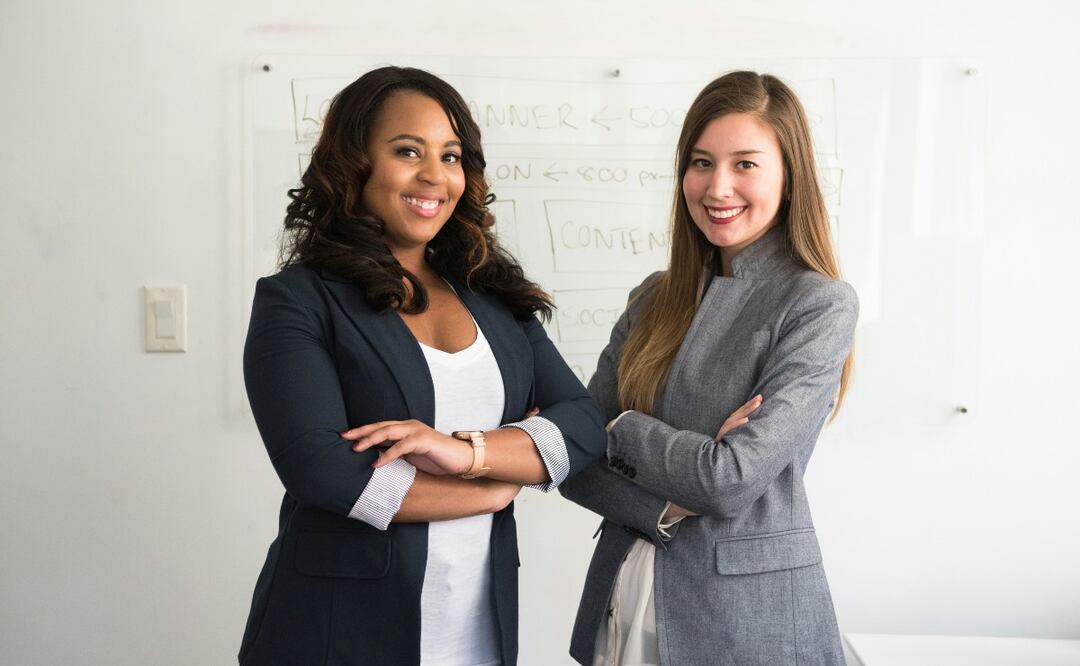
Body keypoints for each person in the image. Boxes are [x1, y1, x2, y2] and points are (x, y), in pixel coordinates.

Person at [237, 66, 606, 665]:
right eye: (408, 151)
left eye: (452, 155)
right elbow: (324, 472)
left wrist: (468, 454)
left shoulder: (493, 298)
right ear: (355, 163)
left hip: (477, 637)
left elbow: (583, 424)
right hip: (338, 636)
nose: (435, 175)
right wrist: (491, 491)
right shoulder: (299, 300)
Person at [559, 70, 858, 666]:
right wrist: (663, 506)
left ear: (788, 172)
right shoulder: (652, 297)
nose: (718, 186)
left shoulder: (818, 303)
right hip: (624, 592)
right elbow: (571, 459)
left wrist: (620, 428)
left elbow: (729, 480)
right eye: (701, 162)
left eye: (745, 163)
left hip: (747, 621)